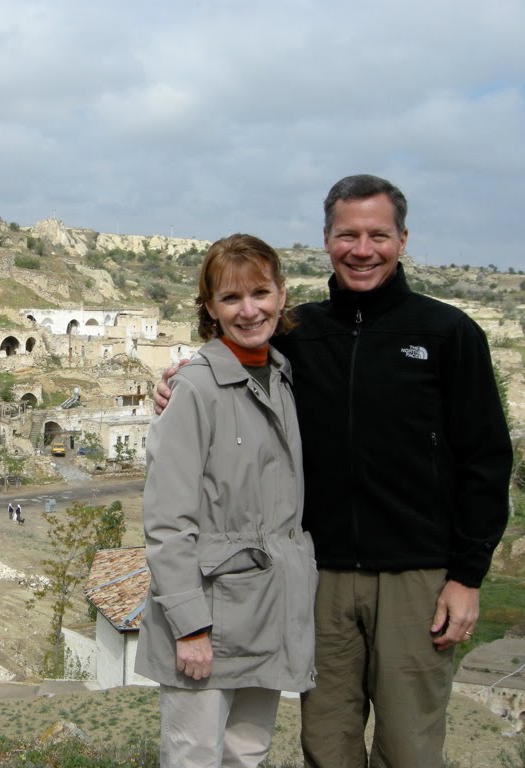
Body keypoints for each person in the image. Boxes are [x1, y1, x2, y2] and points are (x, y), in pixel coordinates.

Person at [154, 175, 512, 767]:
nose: (362, 249)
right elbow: (228, 368)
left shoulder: (448, 334)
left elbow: (485, 461)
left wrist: (467, 576)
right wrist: (174, 385)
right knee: (325, 743)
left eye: (378, 234)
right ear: (326, 240)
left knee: (410, 746)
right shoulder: (298, 335)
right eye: (348, 234)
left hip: (417, 580)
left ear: (403, 238)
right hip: (318, 579)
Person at [136, 234, 317, 768]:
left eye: (260, 292)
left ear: (282, 296)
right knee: (194, 754)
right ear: (210, 308)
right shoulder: (193, 388)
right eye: (231, 298)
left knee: (248, 752)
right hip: (210, 615)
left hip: (266, 609)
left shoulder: (281, 378)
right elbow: (167, 520)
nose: (249, 309)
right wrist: (189, 626)